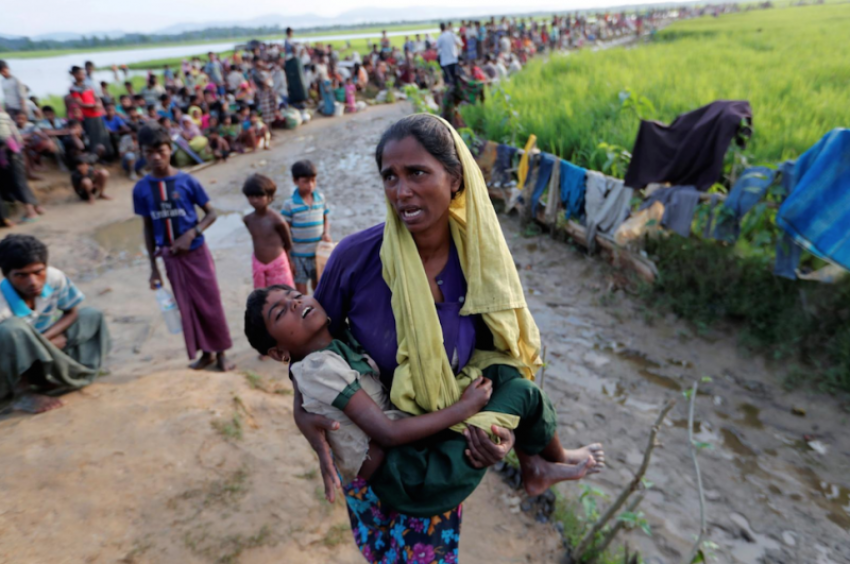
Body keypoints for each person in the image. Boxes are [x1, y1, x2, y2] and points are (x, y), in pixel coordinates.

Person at [295, 114, 605, 561]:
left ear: (456, 179)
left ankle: (536, 464)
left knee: (430, 554)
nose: (402, 192)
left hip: (445, 441)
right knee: (382, 550)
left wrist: (504, 439)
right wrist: (303, 416)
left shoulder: (480, 263)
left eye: (417, 173)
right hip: (374, 450)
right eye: (390, 177)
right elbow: (309, 351)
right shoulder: (356, 260)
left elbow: (494, 360)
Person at [245, 286, 500, 488]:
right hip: (402, 473)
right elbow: (387, 433)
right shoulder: (319, 368)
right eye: (280, 313)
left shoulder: (338, 340)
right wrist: (464, 408)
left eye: (297, 295)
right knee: (516, 395)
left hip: (402, 456)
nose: (295, 303)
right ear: (278, 353)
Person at [133, 124, 234, 372]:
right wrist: (153, 268)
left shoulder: (187, 181)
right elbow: (148, 228)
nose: (156, 157)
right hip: (170, 258)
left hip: (196, 253)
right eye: (149, 152)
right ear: (143, 154)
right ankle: (205, 353)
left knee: (210, 302)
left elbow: (211, 214)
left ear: (170, 149)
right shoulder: (141, 189)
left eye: (161, 150)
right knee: (186, 306)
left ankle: (221, 354)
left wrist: (192, 233)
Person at [0, 234, 110, 413]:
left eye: (38, 272)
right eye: (21, 275)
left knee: (91, 316)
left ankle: (59, 376)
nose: (33, 282)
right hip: (15, 360)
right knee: (12, 329)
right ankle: (22, 393)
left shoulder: (54, 278)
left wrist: (45, 340)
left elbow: (71, 312)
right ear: (7, 275)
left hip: (46, 341)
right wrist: (42, 346)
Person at [281, 160, 331, 294]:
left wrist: (326, 233)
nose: (310, 185)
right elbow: (284, 231)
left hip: (317, 253)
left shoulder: (320, 199)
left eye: (313, 181)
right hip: (298, 256)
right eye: (305, 181)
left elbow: (326, 218)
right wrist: (288, 257)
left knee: (319, 288)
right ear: (295, 181)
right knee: (302, 293)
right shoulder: (290, 204)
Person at [242, 174, 295, 293]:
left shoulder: (277, 220)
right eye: (251, 196)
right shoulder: (248, 219)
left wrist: (290, 261)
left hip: (278, 264)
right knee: (263, 296)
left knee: (284, 294)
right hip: (258, 263)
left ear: (269, 197)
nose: (255, 200)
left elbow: (287, 243)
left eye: (259, 196)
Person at [0, 106, 42, 222]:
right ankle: (37, 207)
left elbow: (4, 138)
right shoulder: (5, 116)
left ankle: (31, 212)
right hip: (16, 152)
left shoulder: (1, 118)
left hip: (9, 154)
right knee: (21, 181)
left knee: (18, 183)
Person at [69, 66, 113, 160]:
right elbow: (80, 103)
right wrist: (94, 106)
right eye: (81, 74)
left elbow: (96, 97)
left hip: (98, 114)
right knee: (94, 137)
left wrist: (99, 104)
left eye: (83, 74)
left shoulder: (88, 86)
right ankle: (97, 157)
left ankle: (108, 156)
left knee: (103, 135)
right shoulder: (74, 89)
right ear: (75, 75)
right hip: (88, 116)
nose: (83, 75)